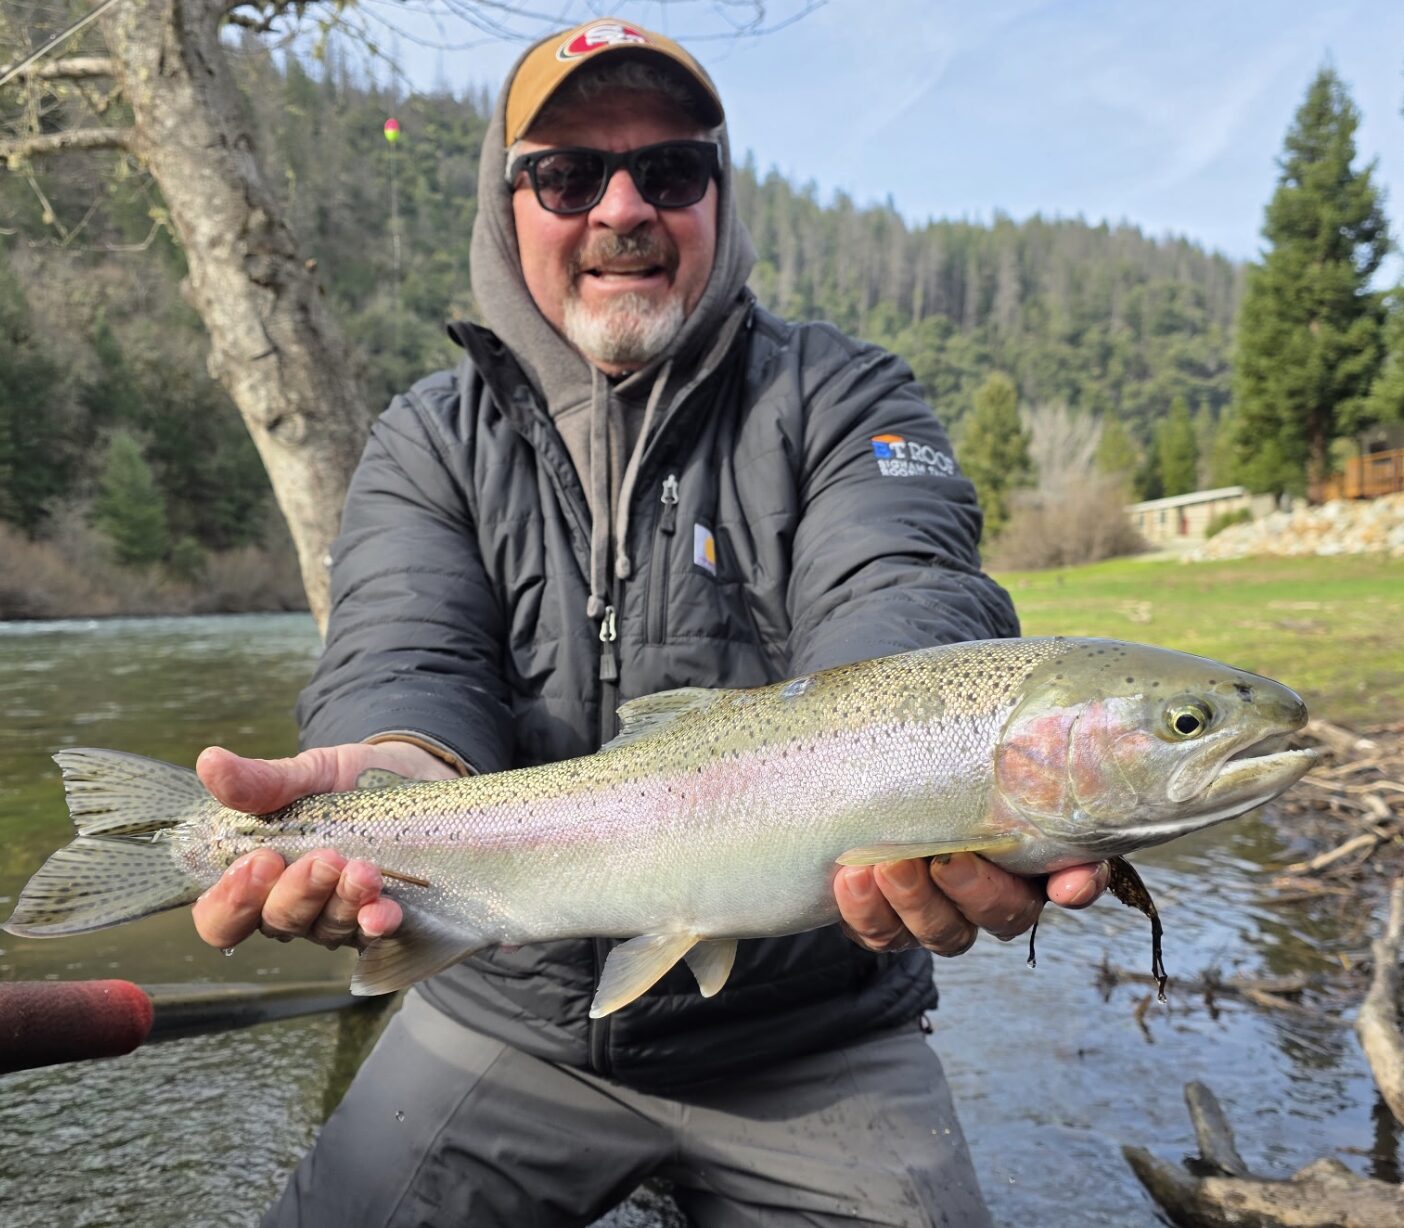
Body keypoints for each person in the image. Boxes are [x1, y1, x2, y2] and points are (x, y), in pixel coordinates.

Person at [193, 18, 1107, 1227]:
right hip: (501, 1008)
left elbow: (906, 588)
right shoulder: (429, 437)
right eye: (569, 174)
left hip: (811, 1036)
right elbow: (404, 651)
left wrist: (933, 782)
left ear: (717, 200)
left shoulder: (845, 395)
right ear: (507, 203)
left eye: (669, 171)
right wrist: (383, 770)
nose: (622, 208)